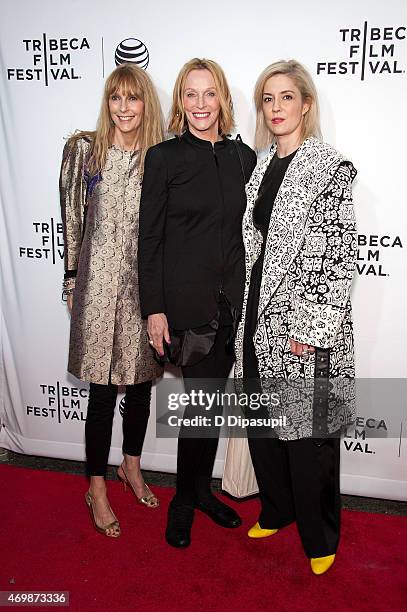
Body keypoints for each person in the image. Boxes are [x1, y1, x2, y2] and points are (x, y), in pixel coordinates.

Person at [234, 60, 357, 574]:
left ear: (306, 104)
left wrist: (312, 329)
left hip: (306, 323)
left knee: (310, 436)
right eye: (268, 98)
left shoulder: (329, 166)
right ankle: (279, 508)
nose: (276, 108)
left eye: (287, 97)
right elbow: (256, 245)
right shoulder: (261, 164)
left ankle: (320, 534)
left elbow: (338, 254)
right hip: (259, 310)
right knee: (264, 425)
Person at [138, 58, 257, 548]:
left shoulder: (243, 158)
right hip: (186, 310)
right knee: (199, 409)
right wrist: (155, 308)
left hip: (234, 307)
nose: (201, 104)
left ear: (223, 100)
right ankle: (185, 501)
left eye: (210, 94)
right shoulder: (164, 157)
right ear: (180, 101)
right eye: (191, 93)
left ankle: (201, 492)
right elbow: (150, 240)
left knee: (210, 409)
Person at [60, 63, 164, 538]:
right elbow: (72, 223)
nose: (124, 109)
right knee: (102, 392)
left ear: (146, 103)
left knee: (141, 386)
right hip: (97, 287)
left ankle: (132, 466)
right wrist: (70, 281)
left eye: (133, 98)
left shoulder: (159, 159)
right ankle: (96, 487)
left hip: (143, 290)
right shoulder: (84, 151)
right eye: (115, 99)